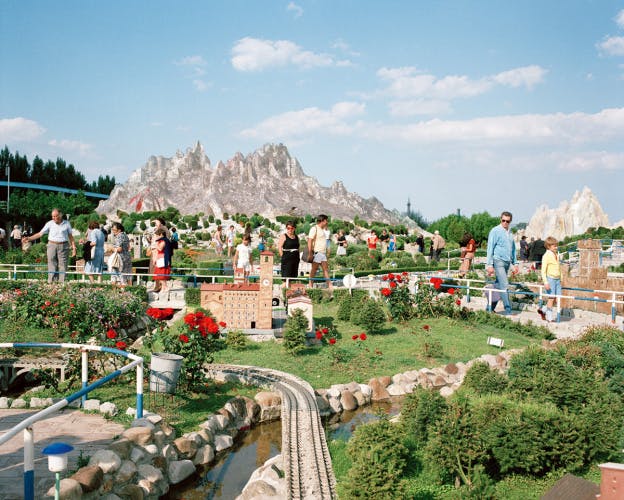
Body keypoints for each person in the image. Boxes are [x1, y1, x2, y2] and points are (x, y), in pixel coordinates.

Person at [24, 208, 76, 283]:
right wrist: (29, 238)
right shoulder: (49, 223)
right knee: (51, 263)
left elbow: (71, 236)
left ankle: (62, 282)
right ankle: (51, 282)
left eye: (56, 216)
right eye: (53, 216)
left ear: (60, 215)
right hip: (52, 245)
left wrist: (74, 247)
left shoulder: (67, 223)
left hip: (63, 245)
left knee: (63, 264)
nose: (54, 218)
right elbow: (40, 234)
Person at [486, 211, 518, 315]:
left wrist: (515, 263)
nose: (505, 223)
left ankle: (489, 309)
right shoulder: (495, 231)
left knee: (498, 286)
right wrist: (489, 264)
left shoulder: (510, 233)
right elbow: (490, 247)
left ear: (510, 222)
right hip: (498, 260)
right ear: (500, 219)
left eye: (507, 221)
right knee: (504, 285)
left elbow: (513, 249)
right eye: (503, 220)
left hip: (507, 262)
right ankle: (508, 310)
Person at [538, 236, 561, 323]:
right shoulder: (546, 256)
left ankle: (543, 309)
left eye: (556, 245)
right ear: (549, 246)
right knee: (551, 298)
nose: (556, 247)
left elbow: (558, 267)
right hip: (550, 279)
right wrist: (545, 282)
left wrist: (560, 278)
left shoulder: (556, 254)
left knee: (556, 298)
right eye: (554, 246)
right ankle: (549, 317)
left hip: (557, 279)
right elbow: (543, 270)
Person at [308, 214, 333, 293]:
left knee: (325, 269)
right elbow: (309, 240)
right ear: (323, 220)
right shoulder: (314, 228)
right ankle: (310, 285)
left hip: (322, 253)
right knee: (314, 269)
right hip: (317, 252)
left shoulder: (322, 229)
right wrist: (310, 252)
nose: (327, 222)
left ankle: (330, 285)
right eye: (326, 220)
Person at [110, 222, 132, 286]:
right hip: (127, 257)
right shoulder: (125, 235)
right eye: (112, 230)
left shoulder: (119, 236)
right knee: (128, 276)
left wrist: (111, 248)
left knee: (115, 276)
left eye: (114, 230)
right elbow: (128, 247)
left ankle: (113, 293)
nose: (113, 231)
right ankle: (130, 292)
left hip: (120, 259)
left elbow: (119, 249)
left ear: (119, 230)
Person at [152, 227, 172, 293]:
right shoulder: (163, 240)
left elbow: (160, 249)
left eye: (157, 235)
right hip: (161, 258)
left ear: (161, 234)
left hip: (163, 259)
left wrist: (155, 245)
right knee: (161, 274)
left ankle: (165, 287)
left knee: (161, 274)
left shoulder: (163, 241)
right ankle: (163, 288)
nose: (157, 236)